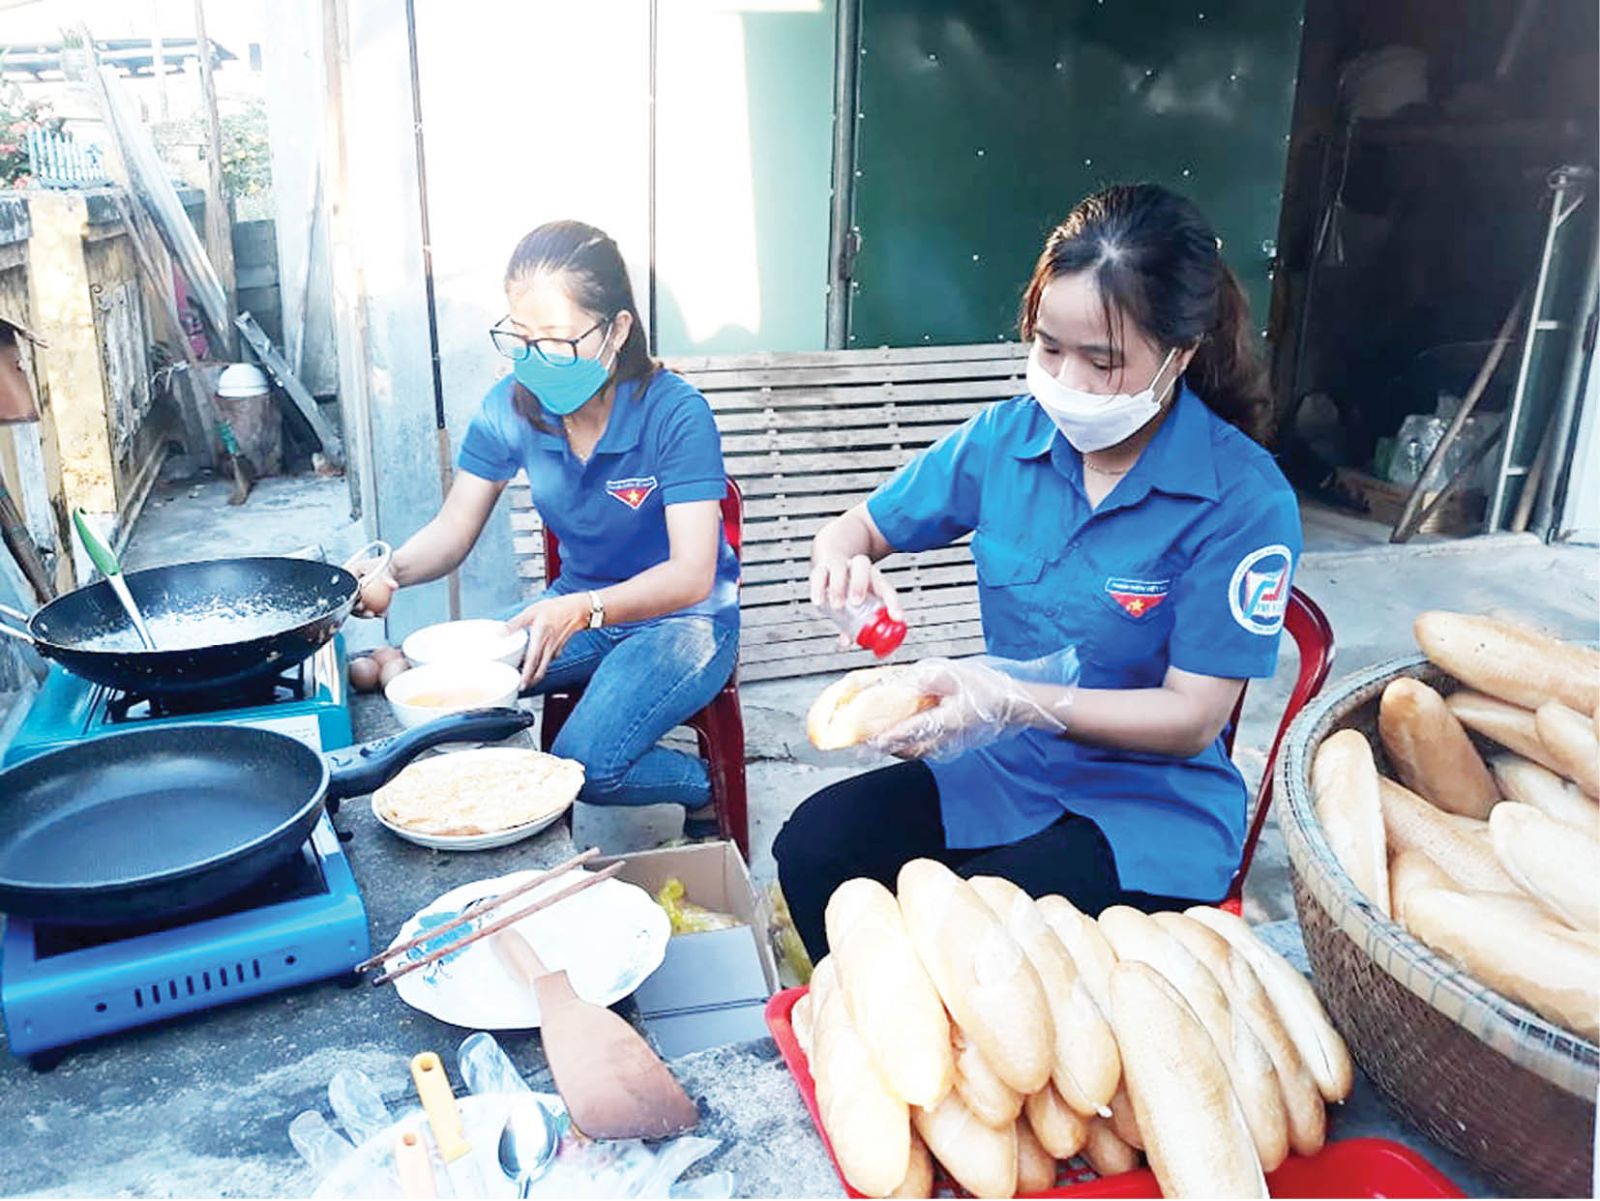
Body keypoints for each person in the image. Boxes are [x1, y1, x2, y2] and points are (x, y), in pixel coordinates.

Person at [775, 184, 1302, 958]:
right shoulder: (1006, 439)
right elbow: (857, 528)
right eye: (1050, 347)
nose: (1070, 382)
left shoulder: (1243, 499)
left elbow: (1192, 716)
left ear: (1182, 353)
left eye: (1103, 360)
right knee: (815, 847)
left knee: (973, 942)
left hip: (1150, 807)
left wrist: (1010, 696)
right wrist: (843, 566)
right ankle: (866, 1020)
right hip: (1007, 768)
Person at [361, 220, 739, 837]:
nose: (536, 360)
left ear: (617, 328)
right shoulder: (510, 407)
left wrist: (587, 609)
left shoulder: (675, 414)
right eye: (521, 338)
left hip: (683, 623)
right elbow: (455, 527)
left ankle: (705, 787)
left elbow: (693, 574)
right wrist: (389, 571)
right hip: (575, 605)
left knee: (585, 767)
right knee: (447, 692)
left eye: (558, 341)